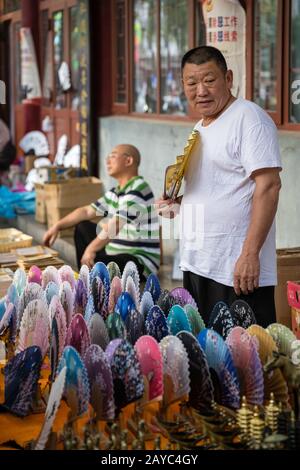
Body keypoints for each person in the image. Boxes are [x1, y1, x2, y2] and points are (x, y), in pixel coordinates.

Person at [157, 46, 282, 327]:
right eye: (191, 83)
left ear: (228, 78)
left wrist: (250, 255)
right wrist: (177, 207)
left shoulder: (249, 119)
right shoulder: (200, 127)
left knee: (245, 359)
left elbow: (269, 186)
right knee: (208, 354)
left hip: (236, 267)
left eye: (209, 80)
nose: (200, 90)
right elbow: (217, 190)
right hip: (199, 260)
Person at [43, 144, 160, 280]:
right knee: (83, 227)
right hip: (116, 252)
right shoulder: (115, 192)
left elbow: (116, 225)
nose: (107, 161)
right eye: (108, 157)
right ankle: (87, 279)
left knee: (102, 266)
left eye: (113, 156)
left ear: (129, 161)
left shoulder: (138, 188)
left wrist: (91, 249)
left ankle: (89, 278)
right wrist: (56, 226)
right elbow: (86, 211)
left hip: (139, 260)